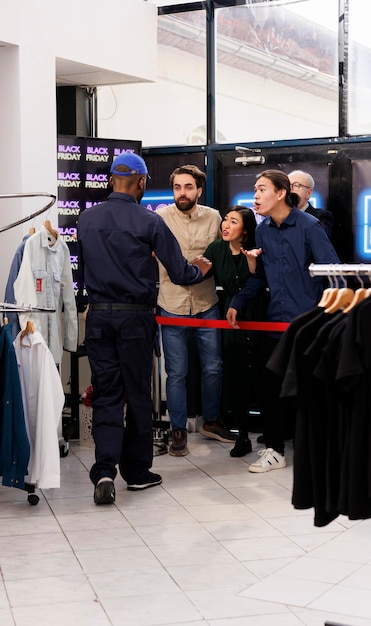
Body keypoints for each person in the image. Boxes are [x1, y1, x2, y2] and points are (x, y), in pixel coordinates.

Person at [77, 153, 212, 505]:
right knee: (137, 393)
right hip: (134, 318)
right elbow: (181, 274)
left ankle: (104, 469)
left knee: (106, 393)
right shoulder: (148, 221)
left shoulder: (86, 219)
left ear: (110, 181)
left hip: (98, 317)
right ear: (141, 182)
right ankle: (136, 473)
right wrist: (202, 267)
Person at [226, 169, 340, 473]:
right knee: (268, 387)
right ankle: (274, 451)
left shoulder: (310, 226)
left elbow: (333, 273)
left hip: (308, 326)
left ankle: (320, 450)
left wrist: (326, 319)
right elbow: (261, 275)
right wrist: (238, 301)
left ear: (281, 193)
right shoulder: (262, 230)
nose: (255, 195)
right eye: (254, 189)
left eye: (262, 189)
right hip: (274, 324)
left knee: (310, 391)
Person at [156, 164, 237, 457]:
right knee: (176, 372)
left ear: (199, 190)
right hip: (172, 305)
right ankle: (178, 428)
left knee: (213, 367)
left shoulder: (214, 217)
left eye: (188, 187)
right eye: (177, 187)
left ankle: (211, 421)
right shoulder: (160, 218)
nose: (182, 193)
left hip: (206, 304)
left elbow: (225, 253)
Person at [204, 206, 268, 457]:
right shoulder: (216, 249)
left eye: (233, 222)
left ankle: (273, 429)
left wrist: (253, 265)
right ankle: (241, 436)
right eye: (225, 220)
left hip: (257, 315)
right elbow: (198, 273)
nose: (225, 225)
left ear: (245, 231)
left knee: (262, 375)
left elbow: (259, 280)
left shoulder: (256, 249)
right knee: (236, 377)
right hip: (230, 319)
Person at [287, 170, 334, 237]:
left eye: (296, 185)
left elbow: (317, 238)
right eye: (287, 185)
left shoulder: (322, 216)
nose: (290, 189)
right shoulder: (276, 216)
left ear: (308, 193)